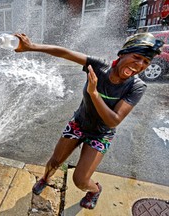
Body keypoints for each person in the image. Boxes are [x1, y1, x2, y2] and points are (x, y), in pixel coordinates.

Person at [14, 33, 163, 209]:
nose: (140, 65)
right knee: (54, 162)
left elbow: (113, 121)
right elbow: (65, 53)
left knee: (80, 180)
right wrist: (32, 47)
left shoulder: (136, 87)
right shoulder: (99, 67)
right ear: (123, 53)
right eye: (137, 57)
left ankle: (95, 190)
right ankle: (45, 179)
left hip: (101, 134)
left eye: (146, 62)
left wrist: (94, 93)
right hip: (79, 123)